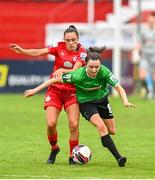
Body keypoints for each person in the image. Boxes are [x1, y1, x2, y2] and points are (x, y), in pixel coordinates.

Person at [23, 47, 136, 167]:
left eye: (96, 67)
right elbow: (54, 80)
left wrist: (125, 101)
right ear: (85, 65)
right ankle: (119, 158)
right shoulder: (77, 75)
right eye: (91, 67)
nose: (94, 70)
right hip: (87, 104)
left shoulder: (104, 71)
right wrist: (35, 90)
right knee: (101, 127)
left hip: (102, 101)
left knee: (111, 131)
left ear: (100, 65)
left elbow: (119, 87)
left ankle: (105, 139)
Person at [9, 25, 87, 165]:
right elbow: (38, 52)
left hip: (72, 91)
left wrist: (63, 70)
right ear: (64, 39)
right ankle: (54, 148)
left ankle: (72, 156)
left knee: (74, 124)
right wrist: (22, 51)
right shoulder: (58, 46)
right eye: (67, 40)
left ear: (78, 39)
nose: (70, 43)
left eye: (73, 40)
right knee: (51, 124)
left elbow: (75, 72)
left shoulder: (82, 52)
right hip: (55, 90)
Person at [132, 12, 155, 99]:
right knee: (141, 76)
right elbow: (139, 43)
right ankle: (147, 90)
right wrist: (136, 50)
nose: (151, 21)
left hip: (154, 55)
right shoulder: (143, 31)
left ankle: (153, 95)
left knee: (154, 76)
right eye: (150, 19)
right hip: (145, 55)